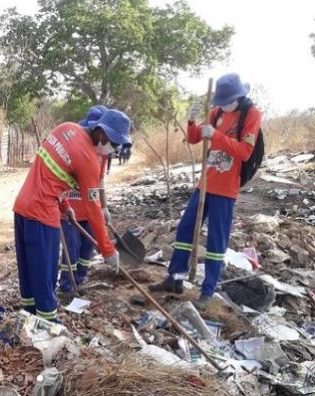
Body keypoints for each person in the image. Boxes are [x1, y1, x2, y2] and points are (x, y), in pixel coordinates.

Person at [149, 73, 261, 310]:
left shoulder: (251, 115)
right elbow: (194, 139)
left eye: (225, 101)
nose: (221, 105)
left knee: (216, 242)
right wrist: (191, 123)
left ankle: (207, 291)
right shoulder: (218, 111)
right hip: (205, 184)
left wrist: (217, 136)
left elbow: (244, 152)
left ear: (238, 96)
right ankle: (175, 279)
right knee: (185, 230)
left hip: (226, 190)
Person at [13, 108, 131, 321]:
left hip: (22, 208)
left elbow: (54, 174)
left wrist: (66, 206)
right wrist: (107, 249)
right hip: (41, 215)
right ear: (102, 133)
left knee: (29, 270)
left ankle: (28, 317)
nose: (113, 150)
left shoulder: (65, 128)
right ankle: (48, 323)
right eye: (113, 144)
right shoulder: (89, 158)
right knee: (46, 274)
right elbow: (93, 208)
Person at [59, 105, 111, 292]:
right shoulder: (76, 145)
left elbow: (100, 181)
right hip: (70, 210)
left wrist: (103, 207)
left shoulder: (102, 151)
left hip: (90, 210)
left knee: (87, 249)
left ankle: (80, 280)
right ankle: (66, 285)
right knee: (70, 249)